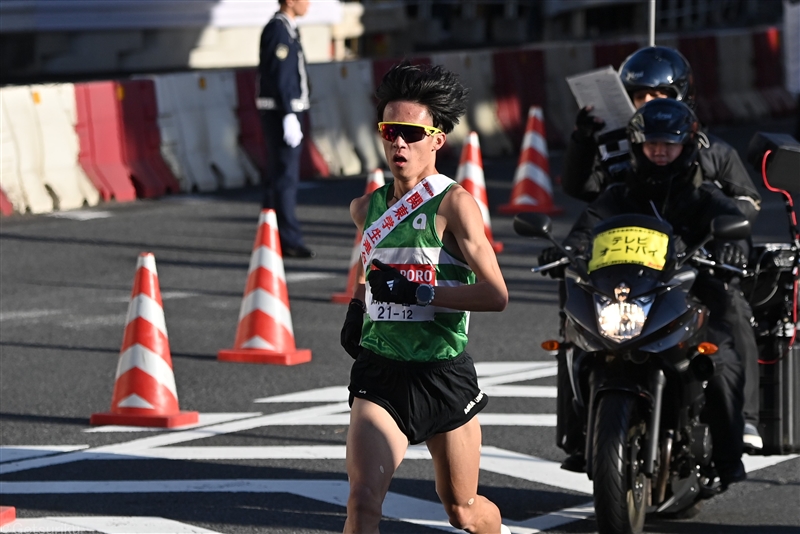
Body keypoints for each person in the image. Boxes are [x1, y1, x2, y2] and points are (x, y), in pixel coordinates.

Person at [555, 45, 763, 455]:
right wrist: (583, 140)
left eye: (660, 95)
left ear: (682, 95)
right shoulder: (623, 153)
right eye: (640, 97)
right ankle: (577, 427)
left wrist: (726, 243)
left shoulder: (712, 152)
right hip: (630, 269)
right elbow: (588, 197)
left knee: (732, 311)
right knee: (572, 317)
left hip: (696, 262)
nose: (650, 104)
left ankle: (744, 419)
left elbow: (746, 204)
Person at [339, 61, 510, 534]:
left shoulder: (454, 204)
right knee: (362, 502)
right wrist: (358, 306)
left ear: (437, 139)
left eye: (412, 134)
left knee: (463, 509)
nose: (399, 143)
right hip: (381, 370)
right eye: (390, 131)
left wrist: (420, 292)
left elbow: (496, 295)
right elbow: (369, 264)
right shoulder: (365, 208)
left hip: (441, 371)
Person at [257, 0, 315, 258]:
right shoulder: (279, 30)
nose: (309, 3)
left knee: (278, 175)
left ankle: (269, 233)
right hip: (281, 111)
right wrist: (289, 113)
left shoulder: (287, 29)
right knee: (285, 176)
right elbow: (281, 76)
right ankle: (288, 238)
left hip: (284, 109)